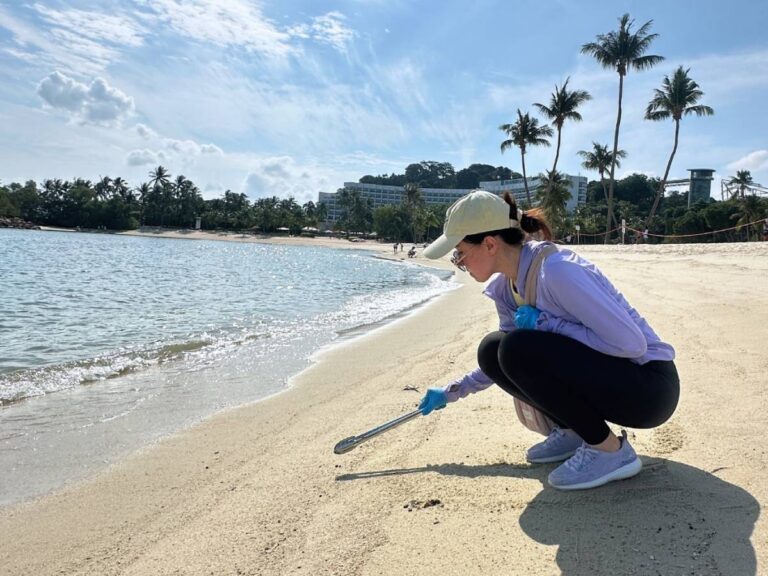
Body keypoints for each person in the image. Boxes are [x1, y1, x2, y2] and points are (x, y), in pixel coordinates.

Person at [417, 190, 679, 490]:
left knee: (517, 348)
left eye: (459, 254)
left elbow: (631, 345)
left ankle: (609, 451)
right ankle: (573, 431)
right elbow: (503, 358)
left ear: (489, 244)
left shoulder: (557, 271)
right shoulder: (505, 288)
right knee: (493, 349)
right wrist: (454, 391)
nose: (459, 262)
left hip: (650, 388)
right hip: (612, 377)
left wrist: (547, 323)